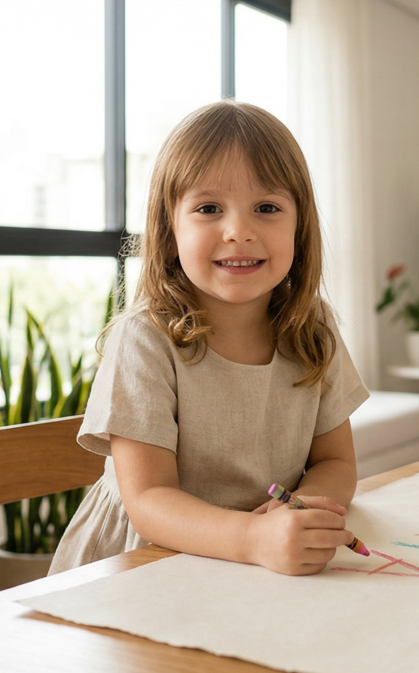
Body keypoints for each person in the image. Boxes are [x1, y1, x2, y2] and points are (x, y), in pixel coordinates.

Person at [50, 101, 370, 577]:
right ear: (170, 226)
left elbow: (337, 461)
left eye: (266, 207)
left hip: (252, 565)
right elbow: (150, 500)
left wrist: (297, 512)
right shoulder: (143, 340)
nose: (239, 231)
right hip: (146, 564)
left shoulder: (313, 327)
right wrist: (252, 537)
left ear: (300, 225)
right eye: (208, 208)